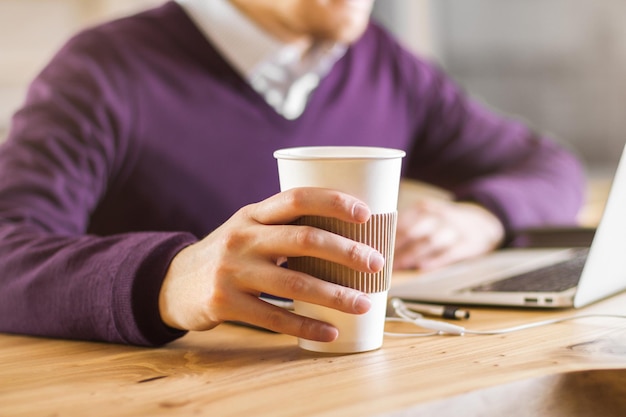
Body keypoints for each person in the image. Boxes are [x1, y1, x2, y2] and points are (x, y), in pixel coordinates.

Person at [0, 0, 585, 347]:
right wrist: (168, 279)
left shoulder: (383, 62)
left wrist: (480, 218)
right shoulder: (102, 71)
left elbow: (549, 165)